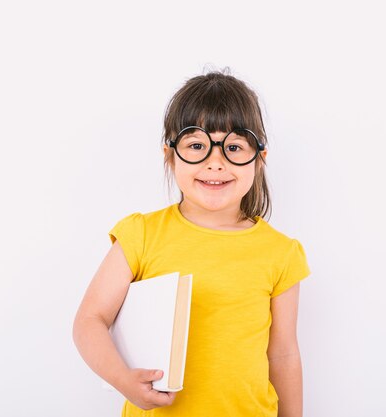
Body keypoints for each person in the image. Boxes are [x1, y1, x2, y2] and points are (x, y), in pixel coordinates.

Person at [72, 69, 311, 417]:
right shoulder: (141, 234)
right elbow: (90, 319)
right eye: (197, 145)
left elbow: (284, 354)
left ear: (259, 158)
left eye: (233, 147)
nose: (216, 163)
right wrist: (122, 379)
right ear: (170, 155)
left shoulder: (282, 253)